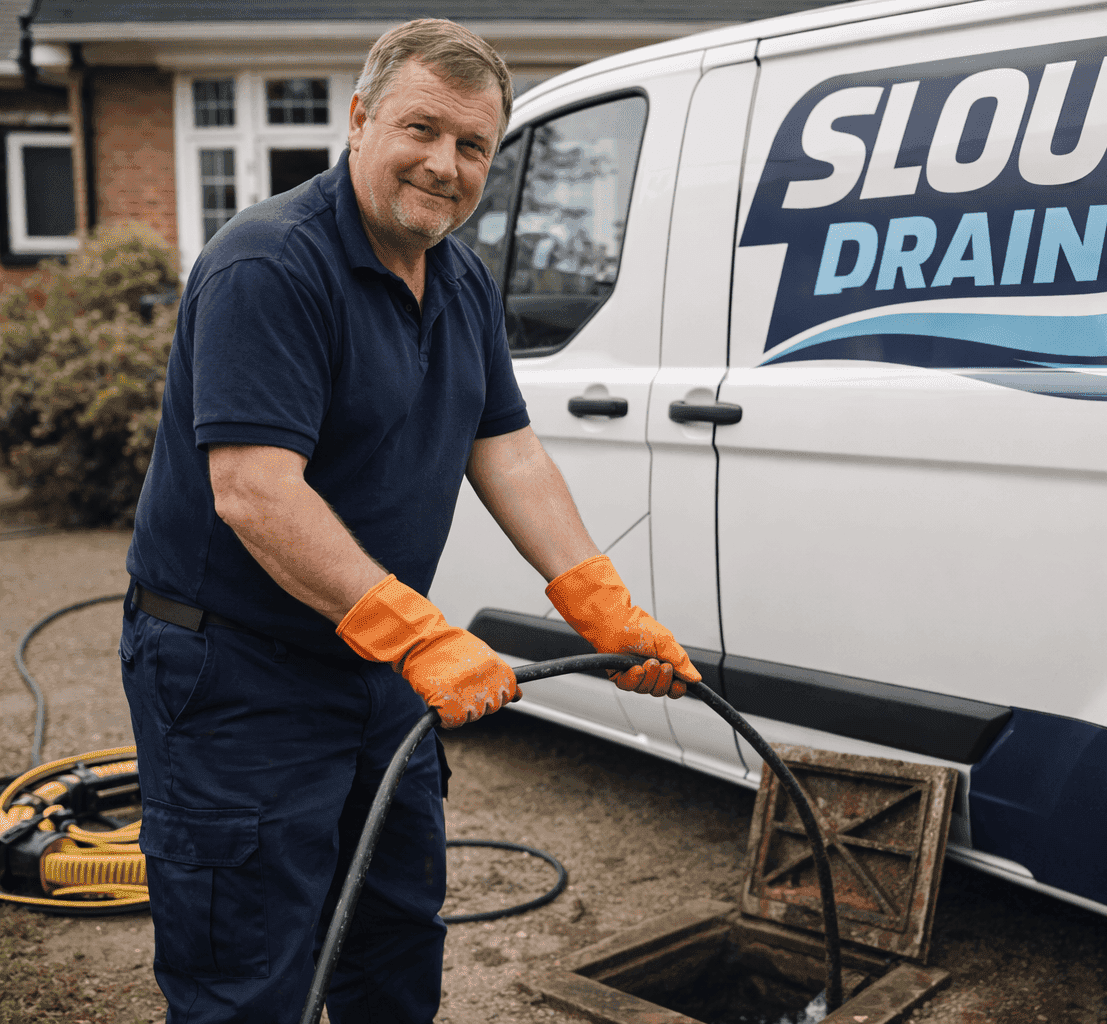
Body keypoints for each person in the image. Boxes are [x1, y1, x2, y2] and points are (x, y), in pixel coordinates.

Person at [119, 19, 700, 1024]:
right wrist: (421, 635)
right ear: (359, 119)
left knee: (393, 941)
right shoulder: (269, 264)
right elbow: (254, 490)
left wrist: (601, 604)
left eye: (473, 145)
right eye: (422, 129)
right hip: (235, 673)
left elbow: (508, 452)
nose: (445, 164)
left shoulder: (461, 280)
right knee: (248, 976)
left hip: (376, 665)